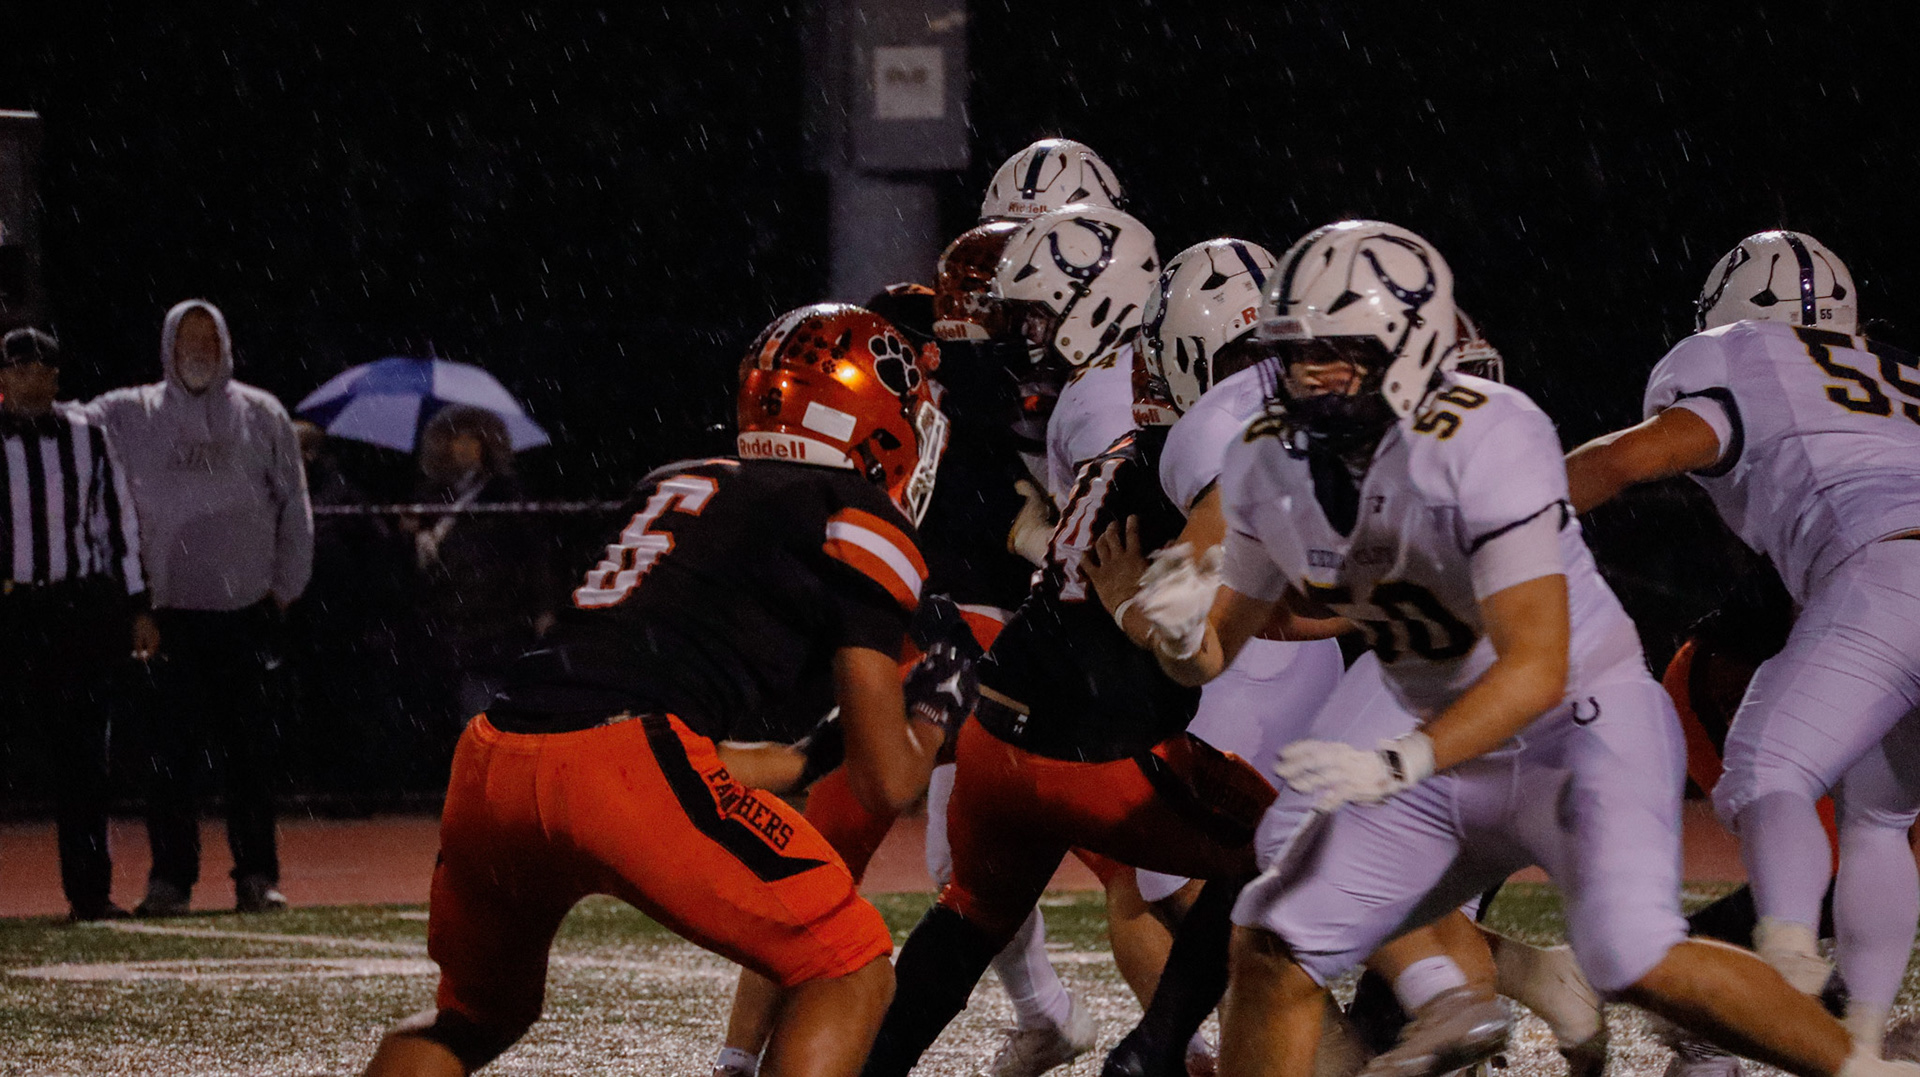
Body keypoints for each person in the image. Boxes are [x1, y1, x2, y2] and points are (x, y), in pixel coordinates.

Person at [1130, 220, 1910, 1077]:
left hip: (1579, 730)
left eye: (1332, 352)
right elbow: (1216, 649)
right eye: (1293, 352)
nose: (1303, 376)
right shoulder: (1270, 457)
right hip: (1438, 739)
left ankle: (1869, 1072)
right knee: (1273, 937)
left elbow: (1535, 665)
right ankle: (1454, 993)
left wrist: (1398, 761)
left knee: (1633, 955)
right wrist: (1180, 629)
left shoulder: (1489, 436)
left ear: (1408, 347)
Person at [362, 303, 955, 1077]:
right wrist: (940, 705)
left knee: (473, 1014)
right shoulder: (857, 515)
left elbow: (667, 742)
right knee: (850, 963)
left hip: (493, 758)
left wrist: (810, 754)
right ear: (874, 418)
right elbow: (886, 783)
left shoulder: (677, 480)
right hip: (620, 766)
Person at [1564, 230, 1920, 1060]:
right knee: (1880, 816)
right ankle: (1865, 1039)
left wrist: (1502, 510)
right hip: (1886, 575)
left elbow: (1630, 457)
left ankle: (1783, 968)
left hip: (1887, 569)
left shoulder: (1742, 355)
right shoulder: (1901, 373)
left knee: (1768, 765)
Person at [87, 299, 313, 916]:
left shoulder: (262, 414)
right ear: (167, 346)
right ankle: (171, 878)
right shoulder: (129, 412)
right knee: (169, 758)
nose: (198, 350)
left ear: (225, 346)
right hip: (167, 617)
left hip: (246, 611)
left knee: (251, 756)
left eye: (208, 339)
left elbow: (294, 505)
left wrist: (286, 587)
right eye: (187, 338)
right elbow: (57, 419)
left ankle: (257, 875)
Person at [0, 326, 153, 921]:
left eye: (41, 367)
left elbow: (121, 525)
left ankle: (90, 892)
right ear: (4, 377)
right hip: (10, 607)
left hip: (73, 610)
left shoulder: (90, 436)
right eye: (19, 367)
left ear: (56, 376)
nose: (31, 378)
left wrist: (138, 605)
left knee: (84, 757)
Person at [399, 404, 555, 769]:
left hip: (495, 618)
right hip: (440, 622)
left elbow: (537, 554)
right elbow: (407, 566)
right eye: (455, 439)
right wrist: (409, 536)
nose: (463, 448)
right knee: (448, 716)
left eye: (471, 439)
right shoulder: (430, 495)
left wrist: (544, 609)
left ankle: (493, 779)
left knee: (484, 711)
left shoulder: (506, 493)